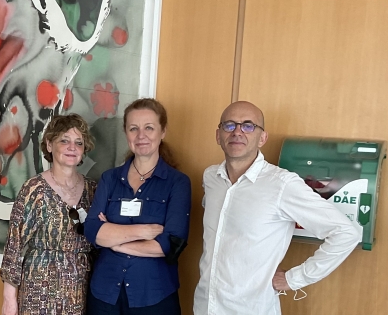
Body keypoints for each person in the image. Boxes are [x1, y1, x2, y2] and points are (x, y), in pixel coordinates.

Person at [193, 101, 362, 315]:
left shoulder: (282, 184)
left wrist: (294, 279)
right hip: (204, 305)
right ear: (218, 135)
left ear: (262, 138)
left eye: (248, 126)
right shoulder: (211, 177)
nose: (237, 132)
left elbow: (346, 233)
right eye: (229, 125)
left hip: (251, 309)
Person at [84, 98, 192, 315]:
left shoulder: (178, 183)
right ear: (126, 133)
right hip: (105, 294)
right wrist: (142, 231)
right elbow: (92, 230)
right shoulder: (110, 179)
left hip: (154, 295)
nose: (141, 135)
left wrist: (115, 243)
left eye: (149, 128)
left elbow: (169, 244)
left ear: (162, 132)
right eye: (134, 128)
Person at [0, 114, 97, 315]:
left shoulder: (93, 189)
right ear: (50, 145)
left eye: (78, 142)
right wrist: (9, 300)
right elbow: (14, 247)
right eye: (64, 140)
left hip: (80, 289)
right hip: (39, 288)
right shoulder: (34, 189)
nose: (72, 147)